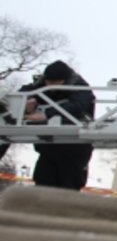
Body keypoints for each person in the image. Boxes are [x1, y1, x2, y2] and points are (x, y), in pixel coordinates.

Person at [20, 60, 95, 190]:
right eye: (48, 82)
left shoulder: (81, 89)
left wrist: (47, 115)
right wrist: (26, 100)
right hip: (49, 147)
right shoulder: (41, 84)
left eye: (55, 83)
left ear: (65, 80)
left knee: (69, 185)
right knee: (43, 182)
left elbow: (77, 106)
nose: (50, 86)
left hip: (75, 148)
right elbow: (23, 92)